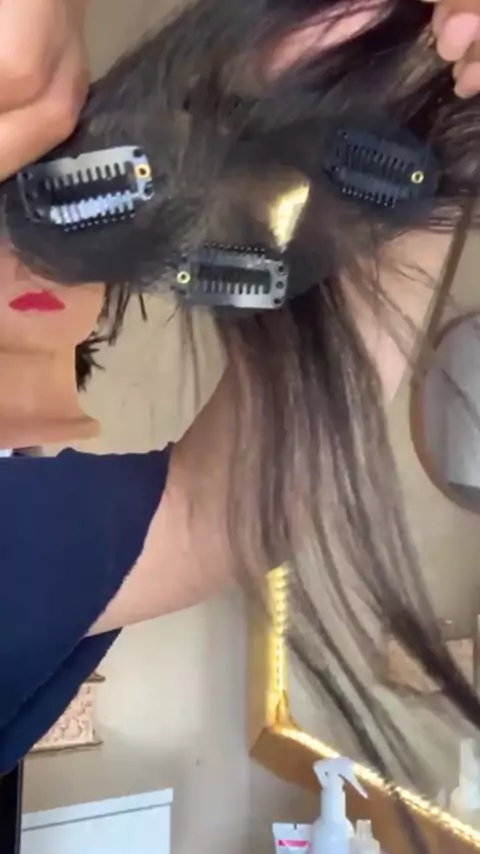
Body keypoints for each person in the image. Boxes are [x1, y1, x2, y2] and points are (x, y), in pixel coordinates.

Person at [1, 0, 480, 809]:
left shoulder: (37, 525)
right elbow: (220, 516)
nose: (28, 259)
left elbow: (225, 511)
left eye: (51, 189)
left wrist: (436, 128)